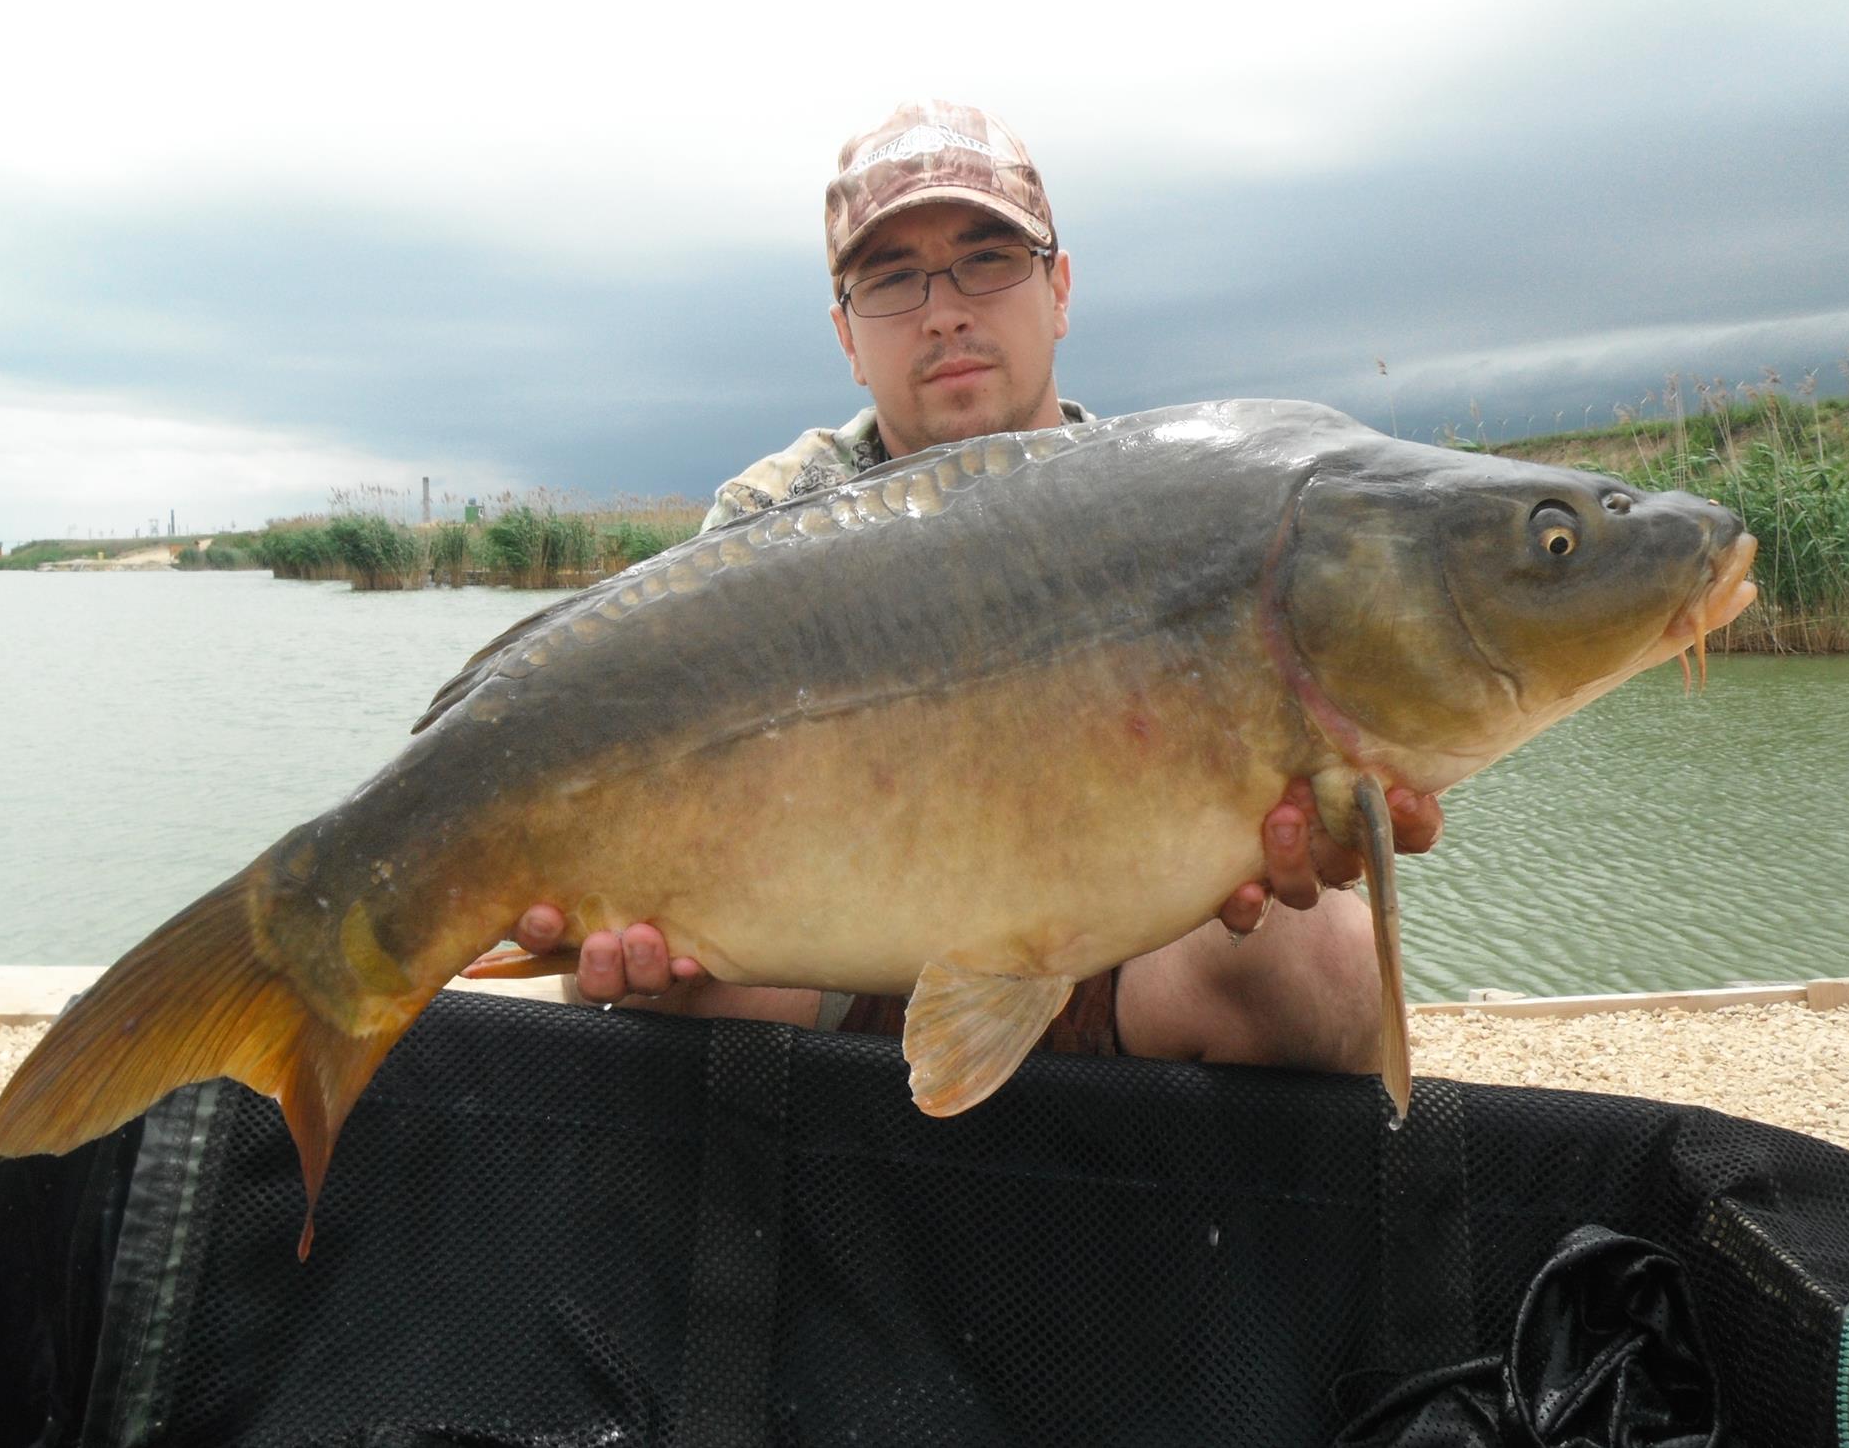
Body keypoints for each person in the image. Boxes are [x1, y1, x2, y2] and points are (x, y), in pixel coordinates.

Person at [486, 101, 1441, 1071]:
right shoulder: (768, 525)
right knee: (663, 985)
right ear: (847, 336)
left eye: (987, 260)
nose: (944, 309)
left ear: (1058, 288)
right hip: (836, 948)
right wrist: (603, 930)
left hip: (1124, 937)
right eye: (892, 279)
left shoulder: (1173, 511)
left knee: (1322, 968)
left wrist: (1303, 843)